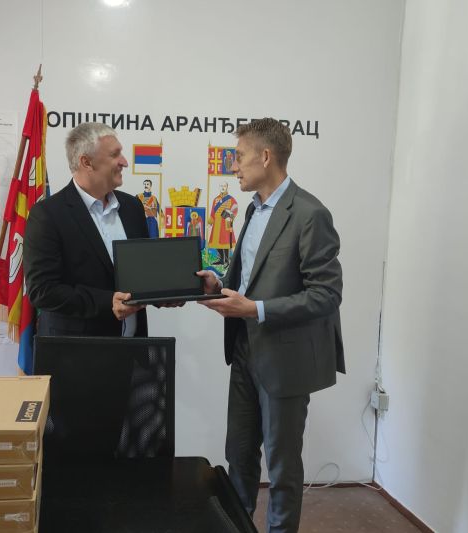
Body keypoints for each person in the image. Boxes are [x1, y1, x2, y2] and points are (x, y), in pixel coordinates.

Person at [197, 118, 344, 533]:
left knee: (281, 468)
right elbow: (251, 278)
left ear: (265, 157)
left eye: (239, 157)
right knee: (239, 455)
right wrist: (219, 285)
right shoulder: (252, 209)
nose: (234, 166)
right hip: (244, 351)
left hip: (285, 360)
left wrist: (255, 309)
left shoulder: (311, 214)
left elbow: (326, 295)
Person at [24, 122, 148, 337]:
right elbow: (42, 290)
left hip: (135, 348)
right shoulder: (48, 214)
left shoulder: (132, 207)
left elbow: (143, 272)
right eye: (115, 155)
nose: (125, 162)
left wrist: (167, 293)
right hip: (77, 351)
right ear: (86, 162)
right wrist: (107, 302)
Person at [208, 181, 238, 266]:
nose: (223, 187)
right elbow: (213, 212)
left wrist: (230, 216)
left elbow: (235, 208)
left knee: (226, 243)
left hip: (226, 223)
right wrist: (210, 222)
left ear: (227, 187)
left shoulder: (231, 199)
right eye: (221, 186)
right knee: (217, 243)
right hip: (217, 224)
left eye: (224, 186)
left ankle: (227, 261)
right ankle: (221, 260)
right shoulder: (216, 199)